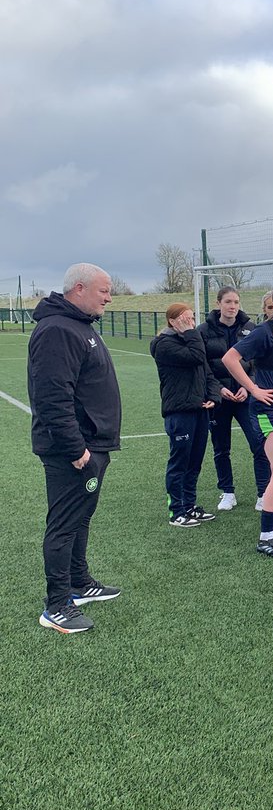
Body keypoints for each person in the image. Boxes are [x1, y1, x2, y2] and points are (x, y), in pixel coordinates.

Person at [28, 263, 122, 633]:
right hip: (73, 449)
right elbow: (52, 396)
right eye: (104, 291)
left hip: (93, 444)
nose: (109, 297)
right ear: (78, 289)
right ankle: (57, 605)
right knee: (64, 524)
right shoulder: (56, 330)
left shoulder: (78, 326)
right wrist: (74, 447)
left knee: (81, 518)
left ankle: (80, 583)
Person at [222, 284, 273, 556]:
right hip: (269, 410)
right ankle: (265, 537)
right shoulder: (264, 332)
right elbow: (230, 358)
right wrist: (254, 388)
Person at [199, 286, 272, 512]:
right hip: (220, 400)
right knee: (221, 448)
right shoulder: (203, 330)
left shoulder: (251, 328)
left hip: (245, 398)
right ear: (219, 303)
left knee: (259, 444)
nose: (232, 306)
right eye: (228, 302)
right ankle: (228, 492)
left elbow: (257, 363)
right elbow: (203, 367)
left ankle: (263, 493)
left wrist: (246, 386)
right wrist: (217, 388)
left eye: (236, 302)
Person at [150, 303, 222, 527]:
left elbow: (207, 372)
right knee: (179, 462)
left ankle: (190, 506)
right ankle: (176, 511)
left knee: (195, 462)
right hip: (179, 412)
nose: (191, 323)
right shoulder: (164, 345)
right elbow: (196, 356)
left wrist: (214, 396)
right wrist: (192, 333)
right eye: (186, 319)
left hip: (200, 410)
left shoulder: (191, 341)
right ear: (172, 321)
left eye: (192, 319)